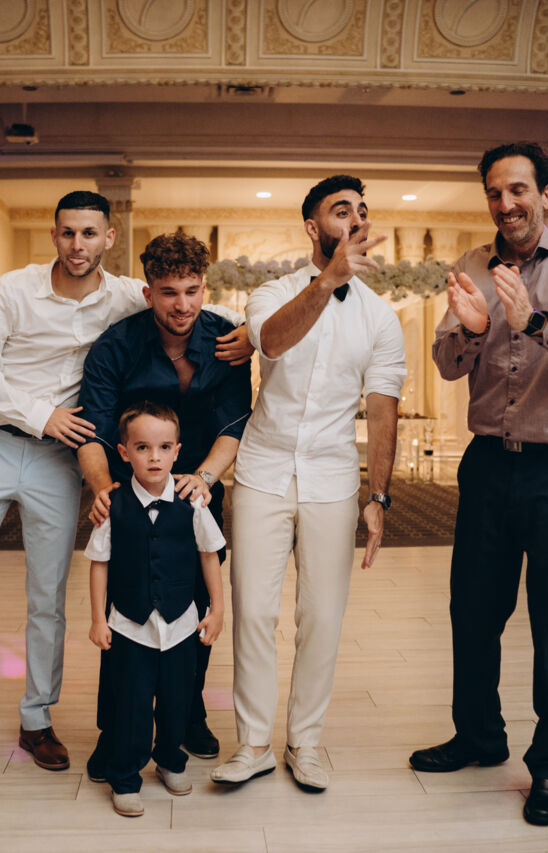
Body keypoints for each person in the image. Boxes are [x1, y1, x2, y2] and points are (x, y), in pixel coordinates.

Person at [0, 191, 252, 786]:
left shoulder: (127, 294)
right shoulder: (12, 291)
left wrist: (253, 329)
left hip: (59, 461)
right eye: (68, 232)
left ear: (108, 239)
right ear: (54, 234)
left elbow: (190, 302)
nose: (78, 245)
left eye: (90, 233)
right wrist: (43, 416)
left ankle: (37, 719)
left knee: (47, 597)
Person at [415, 142, 548, 827]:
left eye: (518, 190)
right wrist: (474, 331)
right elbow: (447, 363)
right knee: (472, 610)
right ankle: (479, 735)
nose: (505, 204)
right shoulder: (473, 264)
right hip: (488, 463)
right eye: (494, 193)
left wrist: (533, 319)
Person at [210, 175, 405, 793]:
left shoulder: (380, 318)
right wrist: (327, 281)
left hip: (333, 477)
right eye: (341, 210)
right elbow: (270, 343)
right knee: (254, 610)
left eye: (362, 211)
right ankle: (253, 745)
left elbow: (382, 410)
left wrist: (378, 496)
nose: (355, 219)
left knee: (321, 616)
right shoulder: (272, 293)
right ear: (312, 227)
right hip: (263, 471)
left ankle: (306, 742)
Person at [78, 229, 251, 771]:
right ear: (148, 292)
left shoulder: (226, 341)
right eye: (170, 292)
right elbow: (92, 432)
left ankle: (187, 714)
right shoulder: (116, 346)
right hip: (129, 489)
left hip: (197, 485)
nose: (182, 305)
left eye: (192, 291)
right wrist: (104, 491)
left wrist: (204, 477)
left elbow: (233, 425)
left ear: (205, 288)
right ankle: (114, 730)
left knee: (193, 602)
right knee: (126, 608)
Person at [84, 402, 225, 817]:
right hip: (130, 626)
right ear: (124, 452)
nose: (154, 457)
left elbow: (209, 555)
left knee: (177, 700)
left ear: (178, 451)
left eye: (164, 448)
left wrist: (218, 609)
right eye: (142, 447)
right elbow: (99, 563)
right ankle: (125, 777)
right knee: (131, 705)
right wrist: (98, 619)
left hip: (181, 624)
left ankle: (169, 760)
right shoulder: (112, 505)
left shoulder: (192, 502)